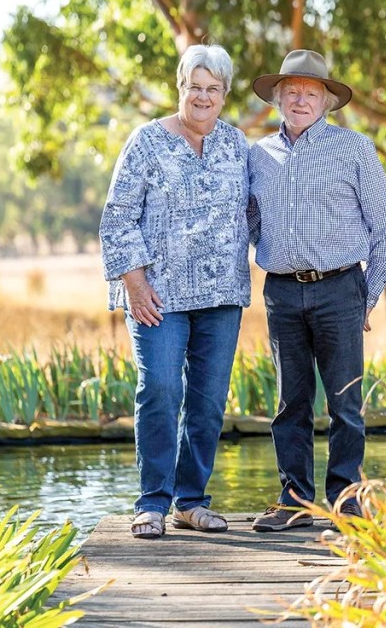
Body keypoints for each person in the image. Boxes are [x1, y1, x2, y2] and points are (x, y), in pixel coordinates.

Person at [99, 44, 251, 539]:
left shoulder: (236, 146)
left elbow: (254, 211)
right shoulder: (146, 142)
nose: (203, 97)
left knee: (208, 401)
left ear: (224, 94)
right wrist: (135, 283)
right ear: (180, 88)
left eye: (213, 89)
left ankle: (191, 501)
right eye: (195, 87)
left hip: (222, 296)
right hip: (157, 297)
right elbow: (117, 218)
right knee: (161, 390)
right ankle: (152, 502)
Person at [247, 49, 386, 531]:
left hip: (340, 289)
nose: (299, 100)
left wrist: (367, 296)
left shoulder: (355, 150)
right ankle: (294, 501)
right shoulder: (258, 156)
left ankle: (346, 501)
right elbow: (251, 221)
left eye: (310, 92)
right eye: (291, 91)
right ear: (277, 98)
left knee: (345, 403)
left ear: (327, 102)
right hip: (283, 293)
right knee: (289, 403)